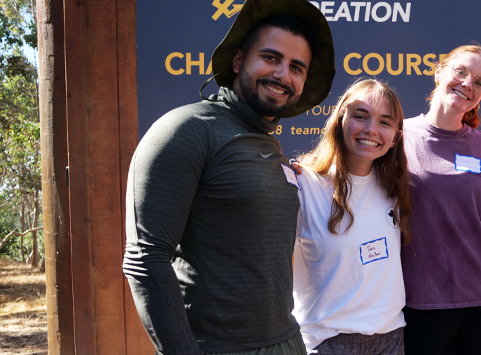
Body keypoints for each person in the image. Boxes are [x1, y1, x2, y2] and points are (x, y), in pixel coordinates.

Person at [122, 0, 335, 353]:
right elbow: (145, 259)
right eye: (271, 57)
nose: (284, 74)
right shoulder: (187, 130)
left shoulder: (267, 143)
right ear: (238, 62)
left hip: (287, 341)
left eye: (297, 67)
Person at [400, 44, 481, 355]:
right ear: (439, 72)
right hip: (419, 302)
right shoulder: (398, 137)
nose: (468, 84)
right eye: (461, 72)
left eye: (480, 82)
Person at [290, 79, 411, 354]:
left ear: (395, 137)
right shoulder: (303, 185)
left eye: (385, 122)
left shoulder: (394, 188)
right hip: (327, 341)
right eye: (361, 116)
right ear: (340, 119)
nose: (371, 129)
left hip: (391, 339)